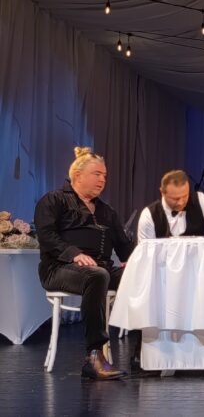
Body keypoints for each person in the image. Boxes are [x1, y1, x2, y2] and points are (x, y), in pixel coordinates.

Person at [34, 147, 133, 380]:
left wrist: (135, 262)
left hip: (100, 269)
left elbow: (124, 246)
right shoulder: (54, 200)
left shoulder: (106, 211)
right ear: (78, 175)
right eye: (97, 174)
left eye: (105, 175)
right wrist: (73, 253)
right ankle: (94, 356)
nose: (103, 180)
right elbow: (46, 235)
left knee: (141, 277)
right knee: (96, 275)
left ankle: (146, 350)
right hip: (59, 268)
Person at [137, 169, 204, 240]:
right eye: (175, 199)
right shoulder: (149, 215)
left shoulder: (200, 200)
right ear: (162, 193)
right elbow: (146, 255)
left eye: (185, 196)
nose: (181, 202)